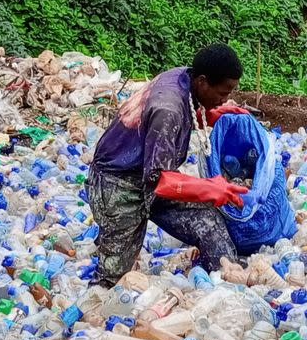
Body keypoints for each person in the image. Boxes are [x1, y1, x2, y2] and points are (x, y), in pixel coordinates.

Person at [86, 43, 249, 289]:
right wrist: (209, 187)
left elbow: (185, 112)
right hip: (118, 183)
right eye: (223, 93)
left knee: (209, 222)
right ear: (203, 82)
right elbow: (160, 182)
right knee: (113, 279)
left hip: (148, 171)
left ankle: (224, 287)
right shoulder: (168, 109)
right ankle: (91, 312)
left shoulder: (185, 77)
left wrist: (214, 111)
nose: (225, 99)